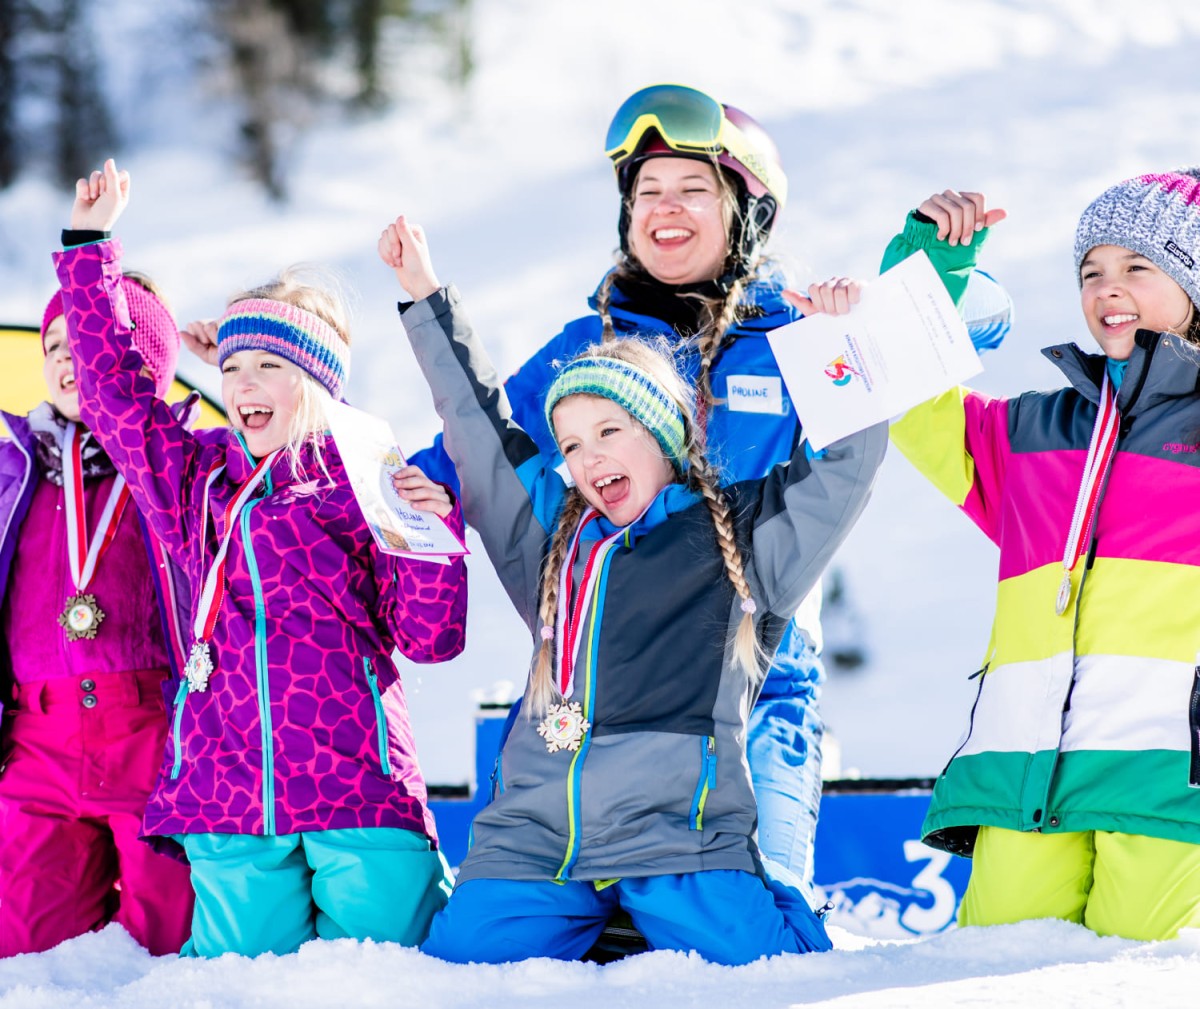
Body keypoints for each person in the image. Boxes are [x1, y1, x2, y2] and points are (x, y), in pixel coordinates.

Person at [409, 83, 1010, 895]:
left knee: (760, 914)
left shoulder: (798, 334)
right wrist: (420, 484)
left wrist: (926, 273)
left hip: (757, 686)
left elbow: (977, 324)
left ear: (745, 215)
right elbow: (483, 441)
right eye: (648, 190)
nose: (667, 207)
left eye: (695, 188)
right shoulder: (589, 345)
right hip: (609, 692)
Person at [379, 214, 888, 964]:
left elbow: (843, 466)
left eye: (610, 432)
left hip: (677, 835)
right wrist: (425, 298)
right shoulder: (551, 538)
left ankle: (687, 913)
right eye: (573, 443)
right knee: (460, 966)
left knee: (772, 972)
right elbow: (482, 434)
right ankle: (595, 921)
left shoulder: (740, 544)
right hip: (540, 836)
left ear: (664, 435)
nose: (588, 458)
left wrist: (840, 346)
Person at [54, 159, 469, 958]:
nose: (243, 382)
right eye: (233, 365)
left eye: (270, 366)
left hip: (358, 790)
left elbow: (430, 638)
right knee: (244, 986)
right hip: (227, 794)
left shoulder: (365, 478)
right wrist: (88, 248)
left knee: (390, 978)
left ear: (317, 383)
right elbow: (118, 396)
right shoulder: (196, 480)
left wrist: (432, 540)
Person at [883, 171, 1200, 940]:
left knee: (1151, 984)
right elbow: (899, 395)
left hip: (1169, 784)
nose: (1107, 288)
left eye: (1137, 266)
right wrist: (928, 268)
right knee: (992, 978)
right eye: (1091, 270)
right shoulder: (1034, 433)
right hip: (1029, 776)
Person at [0, 277, 194, 956]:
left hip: (151, 732)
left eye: (85, 342)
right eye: (54, 343)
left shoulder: (170, 470)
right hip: (35, 739)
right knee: (23, 952)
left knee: (168, 936)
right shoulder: (12, 466)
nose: (64, 356)